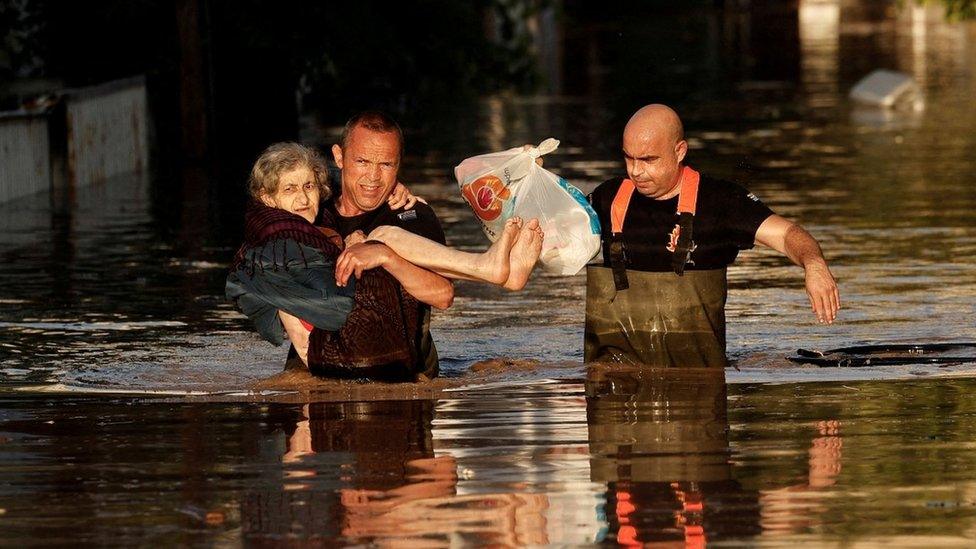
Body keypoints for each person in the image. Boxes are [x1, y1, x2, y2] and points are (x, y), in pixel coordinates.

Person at [227, 141, 543, 380]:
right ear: (267, 199)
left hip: (380, 352)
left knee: (383, 239)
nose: (302, 197)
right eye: (290, 189)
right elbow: (306, 323)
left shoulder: (334, 221)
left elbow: (443, 294)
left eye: (309, 186)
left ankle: (496, 270)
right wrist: (365, 246)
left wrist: (376, 250)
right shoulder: (277, 243)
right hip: (337, 359)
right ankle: (491, 269)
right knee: (382, 238)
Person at [585, 104, 840, 368]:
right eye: (629, 158)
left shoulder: (721, 201)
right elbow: (553, 235)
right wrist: (538, 177)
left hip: (698, 380)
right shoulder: (608, 197)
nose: (636, 171)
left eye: (649, 160)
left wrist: (814, 264)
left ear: (679, 151)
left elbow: (788, 234)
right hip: (613, 379)